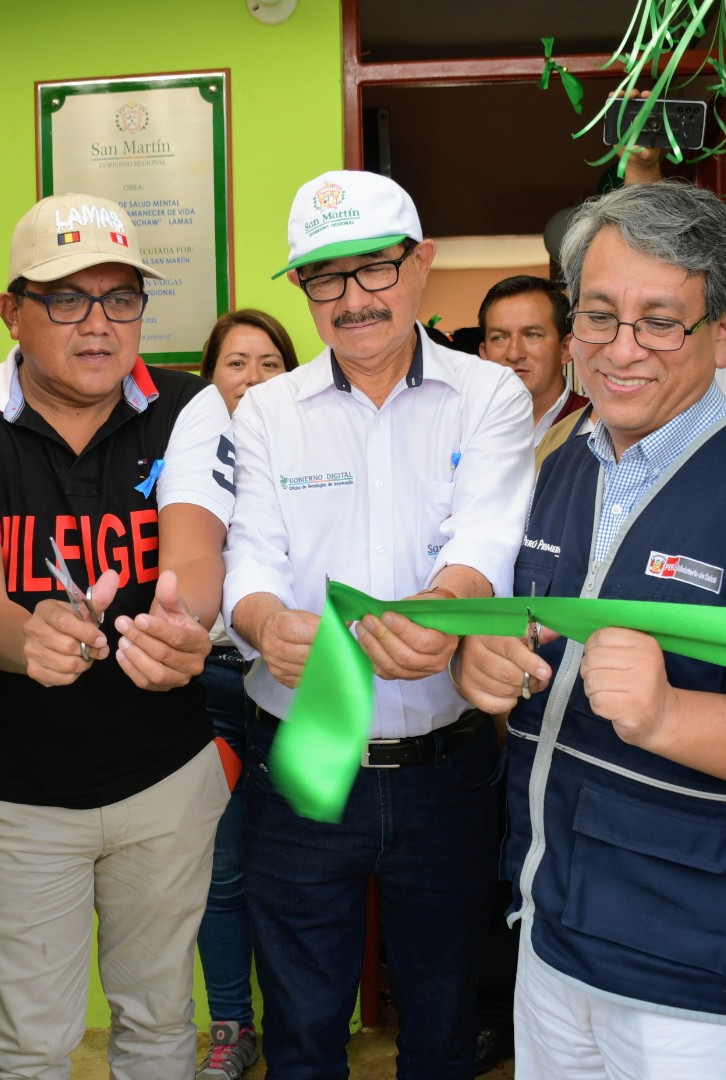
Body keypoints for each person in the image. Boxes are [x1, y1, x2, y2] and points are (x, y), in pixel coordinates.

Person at [454, 180, 726, 1080]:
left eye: (660, 321)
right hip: (554, 930)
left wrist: (668, 716)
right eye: (598, 316)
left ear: (721, 334)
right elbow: (524, 646)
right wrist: (482, 665)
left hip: (697, 973)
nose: (621, 350)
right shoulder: (562, 467)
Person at [222, 169, 535, 1079]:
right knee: (303, 1019)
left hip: (446, 760)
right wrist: (260, 619)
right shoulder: (272, 410)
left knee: (441, 1017)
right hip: (307, 745)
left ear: (421, 265)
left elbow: (488, 530)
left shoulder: (488, 396)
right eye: (325, 278)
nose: (354, 299)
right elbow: (251, 550)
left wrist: (448, 605)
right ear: (302, 292)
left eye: (376, 270)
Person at [0, 192, 236, 1079]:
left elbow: (194, 551)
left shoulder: (187, 405)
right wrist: (21, 636)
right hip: (17, 794)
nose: (99, 324)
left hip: (163, 780)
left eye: (121, 299)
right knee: (30, 1044)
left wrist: (184, 624)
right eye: (67, 299)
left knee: (158, 1022)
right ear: (13, 311)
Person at [192, 308, 299, 1080]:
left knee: (298, 867)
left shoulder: (309, 456)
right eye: (236, 363)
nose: (254, 378)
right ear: (210, 378)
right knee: (221, 870)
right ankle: (233, 1023)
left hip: (288, 686)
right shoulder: (181, 460)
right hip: (208, 685)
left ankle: (301, 1024)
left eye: (271, 363)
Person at [476, 275, 591, 466]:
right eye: (499, 337)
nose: (514, 353)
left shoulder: (595, 426)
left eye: (532, 335)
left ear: (565, 349)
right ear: (484, 354)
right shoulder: (465, 428)